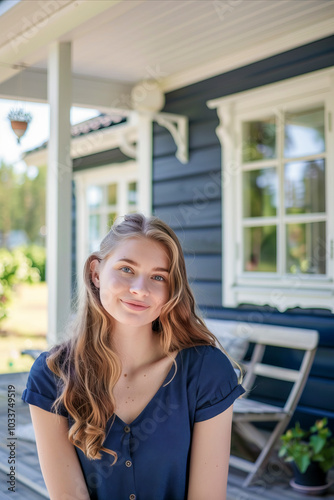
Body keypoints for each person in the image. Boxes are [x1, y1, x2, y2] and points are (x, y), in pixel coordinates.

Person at [21, 213, 245, 500]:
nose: (140, 289)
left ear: (170, 289)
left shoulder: (206, 372)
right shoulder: (51, 375)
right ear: (96, 273)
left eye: (158, 276)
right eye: (127, 269)